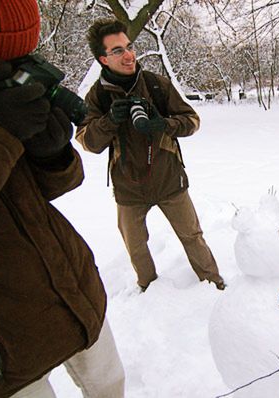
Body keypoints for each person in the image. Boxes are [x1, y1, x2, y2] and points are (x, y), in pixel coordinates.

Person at [0, 1, 125, 397]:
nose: (15, 66)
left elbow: (43, 192)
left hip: (71, 296)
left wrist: (52, 155)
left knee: (110, 385)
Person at [77, 19, 225, 292]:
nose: (129, 55)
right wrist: (109, 120)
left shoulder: (157, 85)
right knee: (135, 247)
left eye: (129, 47)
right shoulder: (97, 96)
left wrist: (164, 125)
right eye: (118, 51)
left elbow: (192, 120)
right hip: (128, 187)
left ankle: (214, 285)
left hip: (169, 178)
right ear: (103, 59)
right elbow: (86, 141)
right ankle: (149, 292)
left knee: (193, 237)